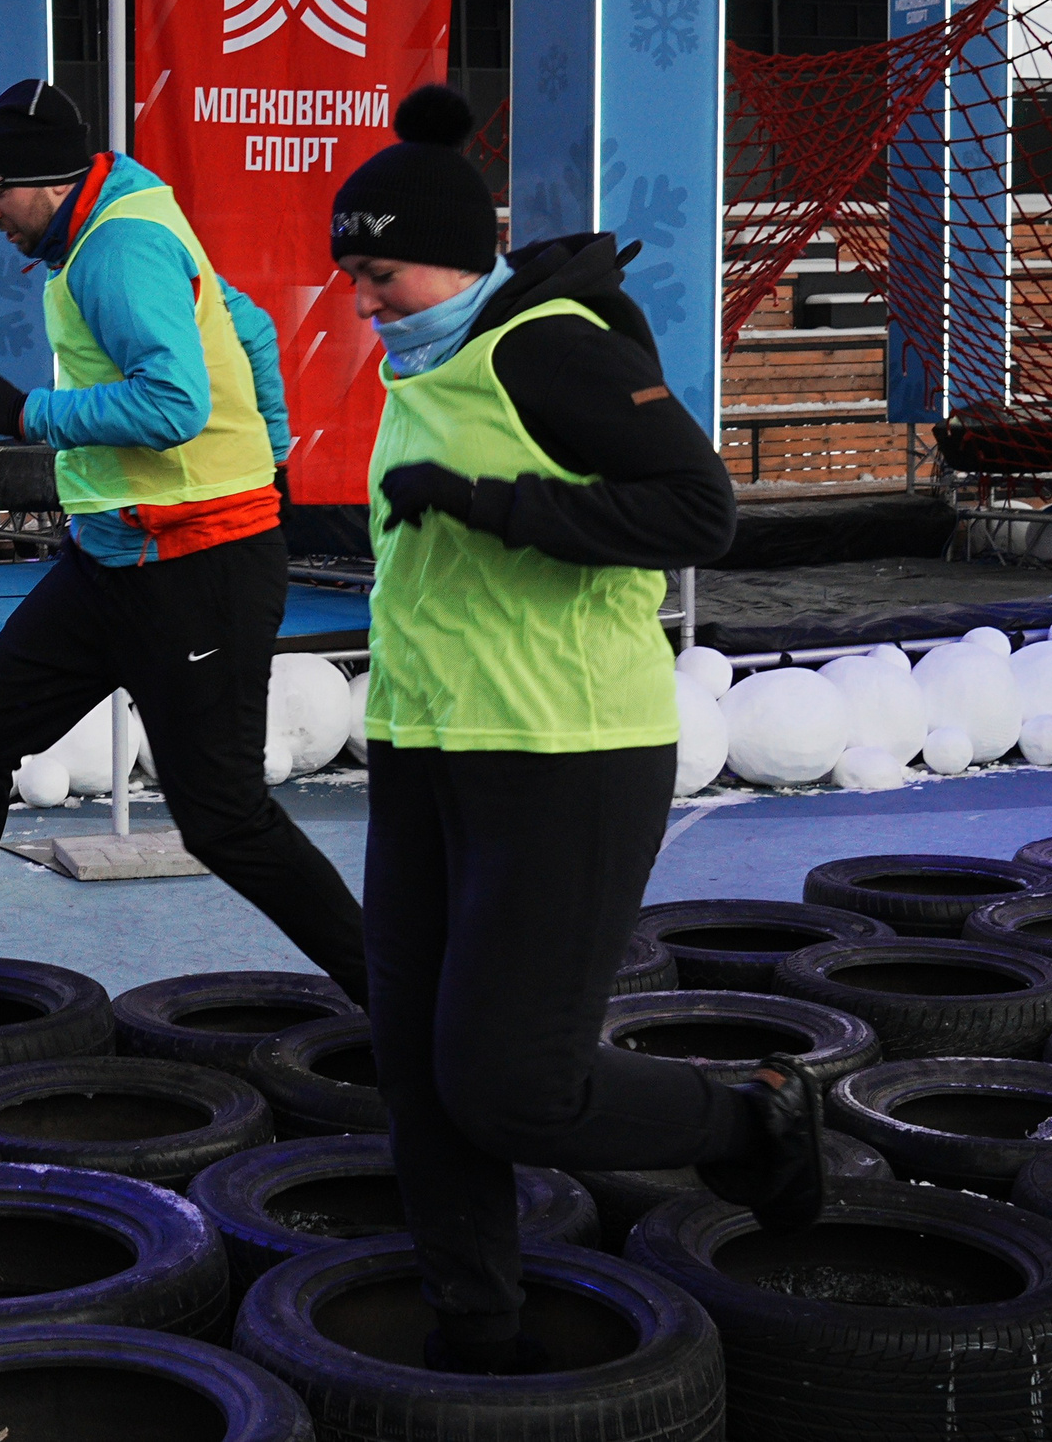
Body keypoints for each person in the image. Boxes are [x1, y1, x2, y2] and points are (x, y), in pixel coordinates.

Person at [335, 84, 822, 1373]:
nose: (363, 299)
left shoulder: (547, 344)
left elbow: (695, 512)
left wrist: (495, 506)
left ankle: (750, 1117)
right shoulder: (424, 357)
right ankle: (475, 1326)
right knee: (415, 1065)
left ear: (451, 251)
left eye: (376, 271)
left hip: (567, 757)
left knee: (510, 1084)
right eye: (351, 276)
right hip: (426, 749)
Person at [0, 79, 369, 1032]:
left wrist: (25, 415)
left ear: (48, 185)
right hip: (112, 562)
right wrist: (274, 445)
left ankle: (401, 998)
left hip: (199, 570)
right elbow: (248, 326)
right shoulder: (117, 220)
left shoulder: (118, 248)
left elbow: (172, 405)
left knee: (222, 819)